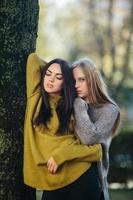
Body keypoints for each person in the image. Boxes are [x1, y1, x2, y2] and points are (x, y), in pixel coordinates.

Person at [23, 53, 102, 200]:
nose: (51, 79)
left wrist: (62, 155)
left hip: (80, 176)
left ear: (66, 82)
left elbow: (96, 150)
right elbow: (33, 59)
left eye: (59, 77)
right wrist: (63, 67)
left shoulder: (73, 107)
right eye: (48, 73)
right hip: (53, 181)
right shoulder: (35, 96)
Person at [71, 58, 121, 200]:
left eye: (82, 79)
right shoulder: (71, 104)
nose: (76, 85)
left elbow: (89, 138)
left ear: (92, 79)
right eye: (73, 80)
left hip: (92, 180)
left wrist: (78, 105)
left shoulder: (110, 110)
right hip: (67, 177)